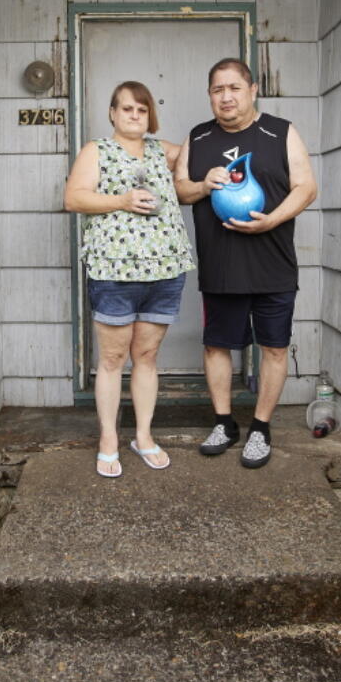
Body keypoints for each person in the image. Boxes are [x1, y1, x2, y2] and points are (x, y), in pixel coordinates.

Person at [173, 58, 317, 469]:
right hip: (220, 265)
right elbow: (180, 189)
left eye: (234, 88)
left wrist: (273, 219)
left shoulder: (281, 132)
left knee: (273, 347)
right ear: (210, 96)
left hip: (273, 263)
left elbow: (307, 187)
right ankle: (224, 422)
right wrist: (203, 184)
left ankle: (260, 427)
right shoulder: (198, 137)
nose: (226, 97)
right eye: (218, 90)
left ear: (252, 90)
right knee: (218, 345)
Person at [64, 81, 196, 478]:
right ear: (113, 113)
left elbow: (197, 147)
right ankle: (109, 439)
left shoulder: (163, 151)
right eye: (126, 109)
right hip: (114, 271)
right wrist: (122, 200)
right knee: (111, 360)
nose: (134, 115)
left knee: (147, 358)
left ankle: (143, 435)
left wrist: (205, 177)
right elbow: (74, 198)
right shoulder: (97, 150)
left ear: (149, 115)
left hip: (164, 271)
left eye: (142, 109)